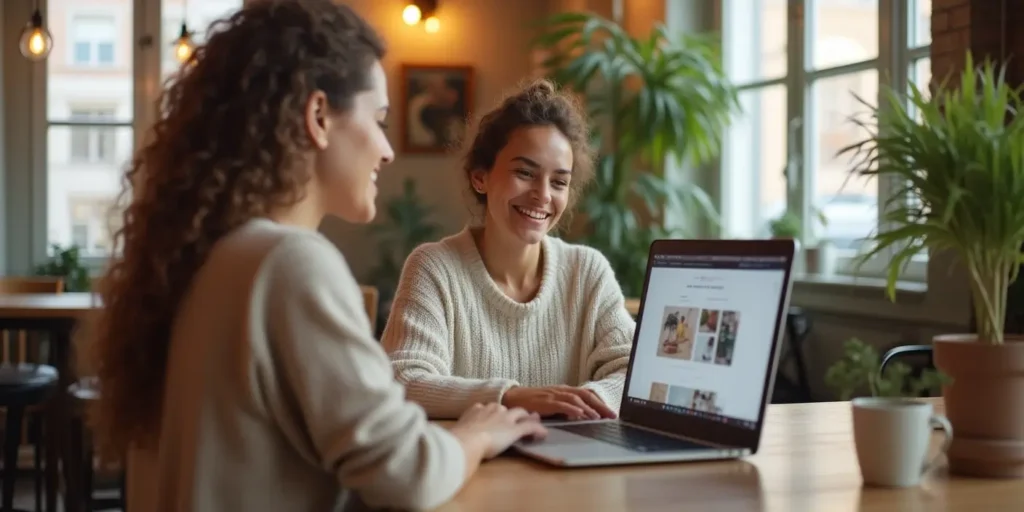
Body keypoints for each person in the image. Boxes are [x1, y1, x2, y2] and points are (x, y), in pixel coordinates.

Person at [80, 2, 545, 511]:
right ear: (319, 116)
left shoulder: (203, 255)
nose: (387, 151)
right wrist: (479, 433)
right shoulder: (289, 262)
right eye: (379, 119)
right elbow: (406, 473)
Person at [381, 79, 636, 421]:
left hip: (570, 467)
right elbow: (402, 380)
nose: (543, 195)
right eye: (525, 172)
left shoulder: (588, 271)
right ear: (480, 178)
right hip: (474, 467)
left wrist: (582, 401)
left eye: (559, 181)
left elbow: (634, 370)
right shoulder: (434, 267)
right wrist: (513, 398)